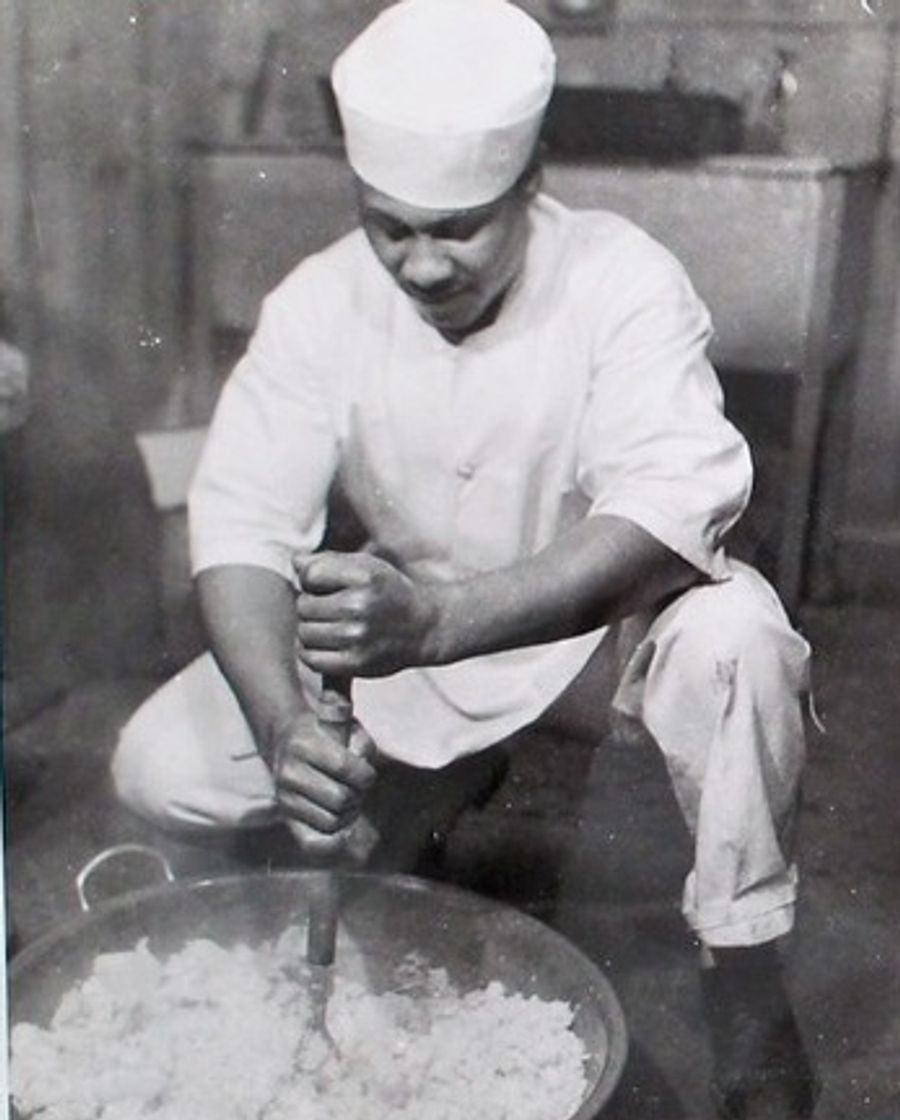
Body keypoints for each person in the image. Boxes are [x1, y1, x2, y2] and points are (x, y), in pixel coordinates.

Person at [112, 1, 819, 1115]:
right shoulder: (318, 300)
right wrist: (284, 726)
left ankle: (745, 969)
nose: (423, 262)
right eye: (391, 227)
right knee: (157, 763)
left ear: (530, 177)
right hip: (406, 657)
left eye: (460, 228)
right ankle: (392, 823)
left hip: (586, 640)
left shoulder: (622, 279)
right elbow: (242, 522)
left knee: (740, 641)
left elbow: (672, 509)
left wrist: (439, 622)